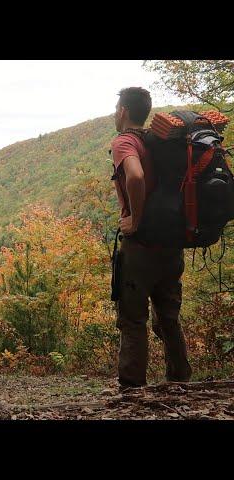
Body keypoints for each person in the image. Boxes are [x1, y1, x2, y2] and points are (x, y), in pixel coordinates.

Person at [111, 87, 192, 390]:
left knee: (132, 320)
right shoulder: (158, 141)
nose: (115, 112)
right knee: (169, 316)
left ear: (123, 111)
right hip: (171, 243)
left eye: (116, 107)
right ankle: (180, 382)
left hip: (142, 247)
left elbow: (135, 176)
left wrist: (136, 218)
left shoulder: (125, 142)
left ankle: (132, 389)